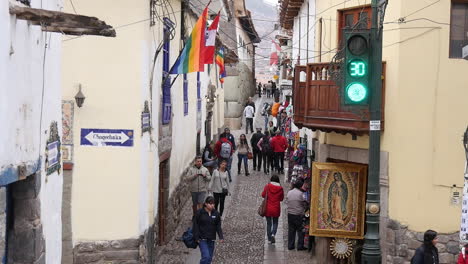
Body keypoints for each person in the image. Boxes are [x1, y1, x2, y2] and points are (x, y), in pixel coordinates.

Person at [193, 196, 224, 264]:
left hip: (211, 239)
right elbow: (195, 225)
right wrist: (196, 237)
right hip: (202, 239)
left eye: (213, 204)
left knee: (209, 258)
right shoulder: (199, 213)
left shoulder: (216, 214)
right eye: (210, 204)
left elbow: (218, 226)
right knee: (206, 257)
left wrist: (221, 236)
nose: (212, 205)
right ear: (206, 204)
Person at [261, 174, 284, 244]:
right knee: (275, 222)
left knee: (269, 223)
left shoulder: (267, 186)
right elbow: (281, 199)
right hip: (276, 208)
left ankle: (269, 238)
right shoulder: (280, 188)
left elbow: (263, 195)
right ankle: (273, 234)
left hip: (268, 207)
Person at [287, 179, 307, 250]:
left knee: (291, 230)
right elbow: (304, 203)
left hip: (290, 214)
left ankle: (290, 245)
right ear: (300, 186)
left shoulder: (289, 192)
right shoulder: (300, 194)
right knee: (300, 230)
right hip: (298, 214)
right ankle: (300, 246)